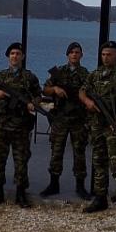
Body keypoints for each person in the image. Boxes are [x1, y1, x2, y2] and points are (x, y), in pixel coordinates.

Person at [0, 42, 41, 208]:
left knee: (21, 160)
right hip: (1, 124)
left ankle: (21, 194)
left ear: (23, 57)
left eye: (18, 54)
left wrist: (33, 103)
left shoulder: (29, 77)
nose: (15, 56)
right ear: (8, 56)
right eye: (12, 53)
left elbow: (38, 95)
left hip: (21, 126)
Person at [79, 41, 116, 217]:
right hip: (97, 125)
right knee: (99, 162)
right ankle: (100, 198)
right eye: (103, 54)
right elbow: (82, 91)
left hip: (114, 125)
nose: (105, 58)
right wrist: (88, 102)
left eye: (109, 54)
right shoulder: (95, 74)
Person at [40, 41, 91, 200]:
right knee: (56, 152)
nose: (74, 55)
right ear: (67, 55)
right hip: (60, 118)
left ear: (81, 55)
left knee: (79, 153)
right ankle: (53, 184)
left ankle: (80, 186)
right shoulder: (59, 72)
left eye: (77, 52)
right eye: (72, 52)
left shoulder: (85, 74)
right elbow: (45, 89)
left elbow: (90, 94)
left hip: (78, 119)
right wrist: (55, 89)